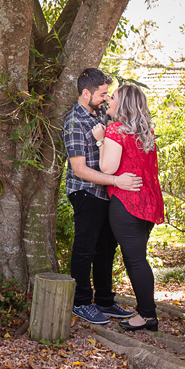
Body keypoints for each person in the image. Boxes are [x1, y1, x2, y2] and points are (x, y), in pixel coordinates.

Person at [63, 68, 143, 325]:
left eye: (109, 94)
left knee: (107, 249)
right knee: (85, 249)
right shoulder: (74, 122)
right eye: (102, 94)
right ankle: (82, 302)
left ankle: (105, 302)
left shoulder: (99, 113)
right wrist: (116, 180)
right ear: (85, 93)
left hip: (108, 193)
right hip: (86, 192)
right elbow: (79, 169)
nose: (106, 98)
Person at [92, 83, 165, 331]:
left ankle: (147, 315)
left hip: (127, 203)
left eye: (113, 97)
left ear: (122, 105)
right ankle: (146, 312)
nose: (109, 100)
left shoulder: (115, 131)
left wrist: (101, 142)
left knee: (135, 261)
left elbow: (108, 169)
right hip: (147, 204)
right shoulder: (145, 133)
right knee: (137, 259)